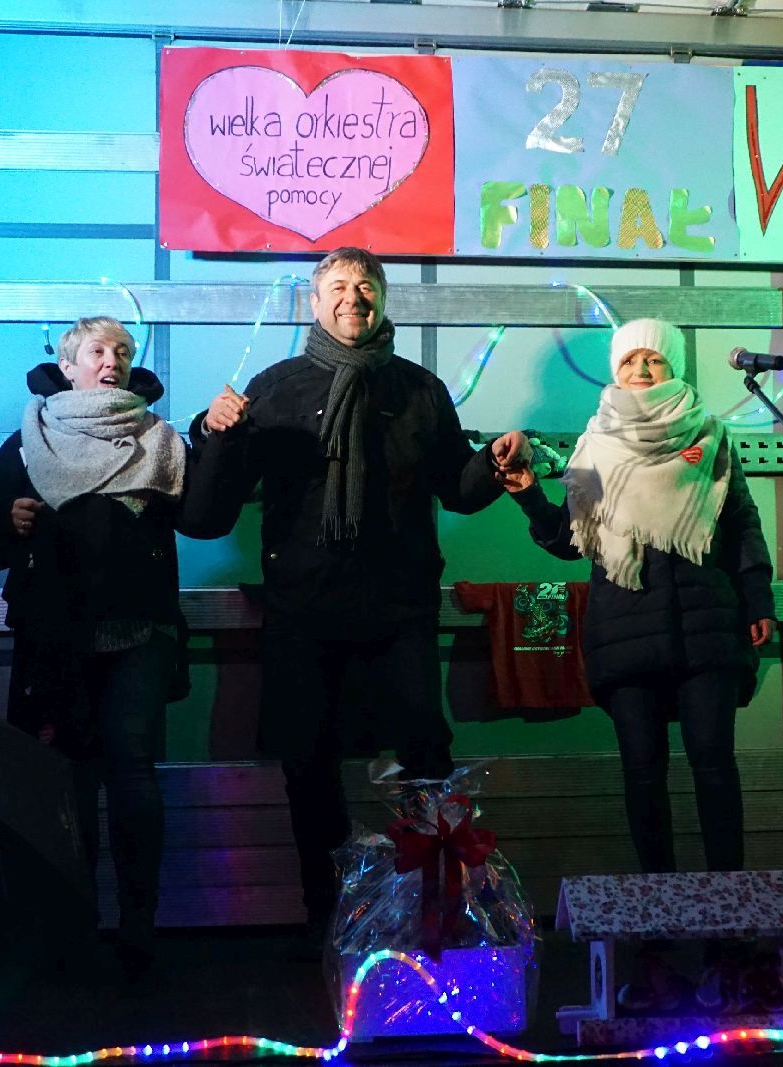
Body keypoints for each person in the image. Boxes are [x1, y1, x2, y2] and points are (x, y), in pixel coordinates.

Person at [187, 247, 531, 937]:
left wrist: (492, 465)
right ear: (316, 303)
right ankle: (329, 922)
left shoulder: (420, 389)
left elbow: (457, 491)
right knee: (308, 766)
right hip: (303, 610)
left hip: (398, 609)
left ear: (382, 298)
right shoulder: (275, 387)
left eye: (366, 284)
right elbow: (207, 515)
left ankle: (434, 920)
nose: (354, 296)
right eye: (339, 286)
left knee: (426, 762)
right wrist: (212, 434)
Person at [501, 318, 777, 1014]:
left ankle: (729, 925)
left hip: (708, 628)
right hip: (625, 634)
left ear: (673, 366)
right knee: (643, 775)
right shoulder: (596, 443)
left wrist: (758, 598)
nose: (643, 370)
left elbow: (741, 524)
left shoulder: (710, 436)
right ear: (615, 371)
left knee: (714, 766)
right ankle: (658, 932)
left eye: (655, 359)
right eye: (631, 361)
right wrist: (530, 493)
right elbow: (570, 538)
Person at [0, 315, 204, 977]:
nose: (112, 360)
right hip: (55, 636)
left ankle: (137, 926)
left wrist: (214, 441)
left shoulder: (158, 439)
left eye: (122, 350)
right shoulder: (29, 441)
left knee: (133, 773)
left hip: (138, 632)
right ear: (68, 366)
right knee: (66, 779)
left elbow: (202, 519)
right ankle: (73, 922)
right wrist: (6, 521)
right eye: (97, 350)